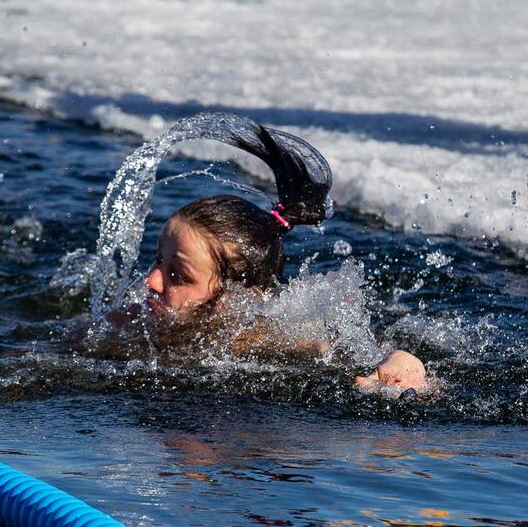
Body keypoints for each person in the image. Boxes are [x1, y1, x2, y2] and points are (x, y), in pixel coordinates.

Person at [132, 123, 428, 393]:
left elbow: (369, 352)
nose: (151, 280)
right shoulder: (132, 322)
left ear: (236, 296)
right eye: (158, 259)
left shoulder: (258, 341)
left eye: (178, 275)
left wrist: (404, 367)